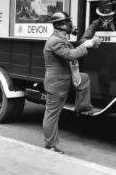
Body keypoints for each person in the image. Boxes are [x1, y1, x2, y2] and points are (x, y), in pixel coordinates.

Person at [43, 11, 101, 154]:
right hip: (57, 83)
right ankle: (50, 145)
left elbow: (76, 47)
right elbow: (70, 55)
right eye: (69, 22)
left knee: (85, 78)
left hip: (66, 79)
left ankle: (81, 107)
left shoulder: (61, 38)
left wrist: (90, 39)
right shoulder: (55, 41)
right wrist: (86, 45)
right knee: (52, 115)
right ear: (62, 25)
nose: (71, 24)